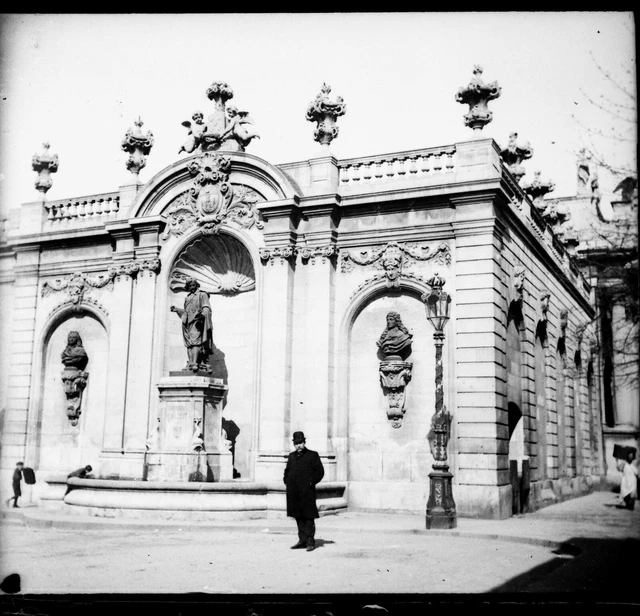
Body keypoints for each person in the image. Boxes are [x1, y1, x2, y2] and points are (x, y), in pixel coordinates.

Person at [283, 431, 325, 552]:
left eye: (300, 443)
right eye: (296, 443)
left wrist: (311, 482)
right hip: (294, 492)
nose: (298, 446)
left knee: (308, 516)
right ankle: (302, 540)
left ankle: (310, 541)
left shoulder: (312, 455)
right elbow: (287, 471)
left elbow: (320, 472)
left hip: (307, 492)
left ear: (304, 442)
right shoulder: (291, 456)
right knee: (297, 516)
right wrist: (286, 480)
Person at [170, 277, 213, 373]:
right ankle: (190, 363)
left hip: (197, 322)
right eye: (189, 286)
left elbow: (206, 308)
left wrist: (202, 315)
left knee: (195, 342)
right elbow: (185, 312)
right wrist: (177, 309)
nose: (191, 287)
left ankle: (194, 363)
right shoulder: (187, 297)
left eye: (193, 285)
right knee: (189, 344)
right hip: (187, 323)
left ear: (196, 285)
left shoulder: (202, 294)